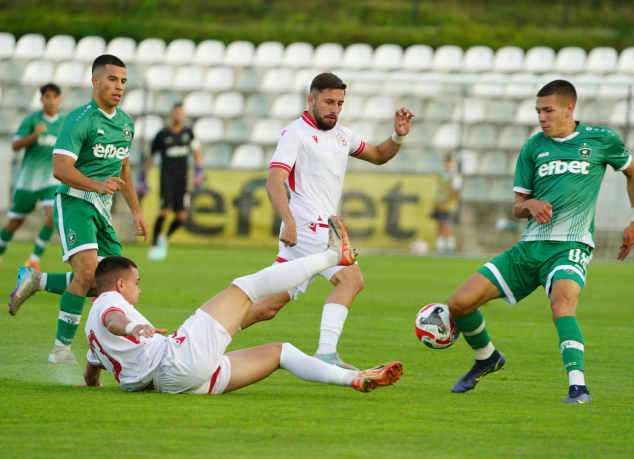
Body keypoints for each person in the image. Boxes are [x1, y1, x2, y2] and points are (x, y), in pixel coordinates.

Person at [446, 80, 634, 403]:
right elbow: (517, 206)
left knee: (562, 302)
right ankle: (487, 358)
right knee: (459, 304)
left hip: (570, 246)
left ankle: (578, 387)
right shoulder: (533, 147)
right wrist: (531, 205)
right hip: (529, 247)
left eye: (548, 110)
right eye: (538, 111)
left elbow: (633, 172)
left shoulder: (602, 140)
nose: (541, 118)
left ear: (569, 108)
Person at [79, 217, 403, 395]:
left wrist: (90, 384)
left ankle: (355, 378)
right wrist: (134, 326)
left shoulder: (91, 332)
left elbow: (93, 369)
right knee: (246, 287)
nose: (139, 290)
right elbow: (114, 321)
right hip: (176, 359)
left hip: (173, 384)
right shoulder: (109, 301)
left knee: (281, 353)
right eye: (136, 283)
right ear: (119, 284)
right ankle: (333, 256)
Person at [240, 72, 414, 370]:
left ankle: (202, 335)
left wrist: (397, 136)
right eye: (328, 102)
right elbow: (274, 181)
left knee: (269, 305)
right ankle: (326, 353)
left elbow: (378, 155)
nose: (334, 109)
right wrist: (288, 220)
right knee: (352, 279)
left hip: (315, 227)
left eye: (340, 103)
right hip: (310, 225)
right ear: (312, 100)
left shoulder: (342, 135)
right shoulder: (295, 133)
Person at [8, 54, 149, 365]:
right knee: (86, 272)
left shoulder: (126, 123)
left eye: (123, 81)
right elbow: (60, 168)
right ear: (95, 81)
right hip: (74, 201)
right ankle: (60, 351)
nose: (119, 86)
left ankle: (36, 281)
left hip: (102, 210)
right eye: (112, 79)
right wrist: (96, 185)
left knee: (111, 283)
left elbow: (123, 169)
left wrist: (137, 211)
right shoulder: (79, 119)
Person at [0, 83, 65, 276]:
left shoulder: (64, 123)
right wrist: (34, 135)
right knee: (14, 223)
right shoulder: (32, 120)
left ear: (60, 99)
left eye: (55, 97)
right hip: (28, 181)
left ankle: (34, 259)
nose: (51, 101)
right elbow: (15, 145)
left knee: (53, 217)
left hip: (51, 180)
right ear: (41, 99)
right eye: (48, 97)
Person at [138, 103, 203, 261]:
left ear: (184, 115)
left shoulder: (188, 133)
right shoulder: (162, 134)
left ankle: (164, 238)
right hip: (167, 178)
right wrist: (143, 177)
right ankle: (154, 245)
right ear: (171, 114)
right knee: (164, 211)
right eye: (176, 112)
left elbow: (196, 151)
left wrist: (198, 171)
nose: (178, 115)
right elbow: (151, 155)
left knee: (182, 216)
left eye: (181, 112)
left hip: (183, 180)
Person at [431, 155, 462, 254]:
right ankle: (441, 246)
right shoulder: (441, 176)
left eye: (450, 164)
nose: (448, 165)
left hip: (448, 205)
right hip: (439, 205)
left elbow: (455, 193)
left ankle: (450, 246)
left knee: (445, 224)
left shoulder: (455, 176)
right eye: (447, 163)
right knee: (440, 224)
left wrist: (445, 201)